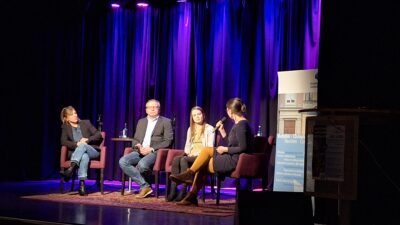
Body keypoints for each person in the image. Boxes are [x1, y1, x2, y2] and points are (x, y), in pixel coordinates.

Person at [170, 98, 253, 206]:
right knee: (202, 163)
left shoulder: (242, 125)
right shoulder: (240, 124)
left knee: (206, 152)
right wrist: (223, 132)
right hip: (233, 157)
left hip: (235, 161)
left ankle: (190, 176)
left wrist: (225, 149)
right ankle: (191, 195)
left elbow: (244, 147)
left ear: (230, 111)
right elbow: (233, 144)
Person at [119, 99, 174, 198]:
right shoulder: (141, 122)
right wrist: (138, 146)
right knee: (123, 161)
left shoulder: (166, 122)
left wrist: (151, 148)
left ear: (159, 109)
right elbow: (135, 139)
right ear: (146, 110)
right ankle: (145, 186)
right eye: (150, 107)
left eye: (155, 107)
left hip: (155, 152)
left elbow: (168, 141)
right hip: (140, 151)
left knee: (142, 164)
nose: (152, 109)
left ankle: (145, 186)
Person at [166, 106, 215, 202]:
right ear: (192, 117)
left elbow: (210, 146)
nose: (197, 117)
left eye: (199, 114)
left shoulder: (210, 128)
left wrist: (196, 153)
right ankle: (173, 191)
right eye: (194, 115)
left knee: (183, 160)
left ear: (203, 115)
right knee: (177, 159)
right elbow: (187, 144)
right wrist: (188, 153)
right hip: (191, 155)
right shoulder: (190, 128)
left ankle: (183, 192)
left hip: (202, 156)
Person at [59, 106, 103, 196]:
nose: (75, 115)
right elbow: (63, 141)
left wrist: (87, 140)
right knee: (84, 156)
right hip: (76, 153)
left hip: (92, 150)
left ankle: (71, 169)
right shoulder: (65, 127)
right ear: (66, 118)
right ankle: (82, 186)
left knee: (83, 146)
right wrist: (76, 144)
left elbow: (98, 134)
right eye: (71, 114)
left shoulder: (85, 123)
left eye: (75, 113)